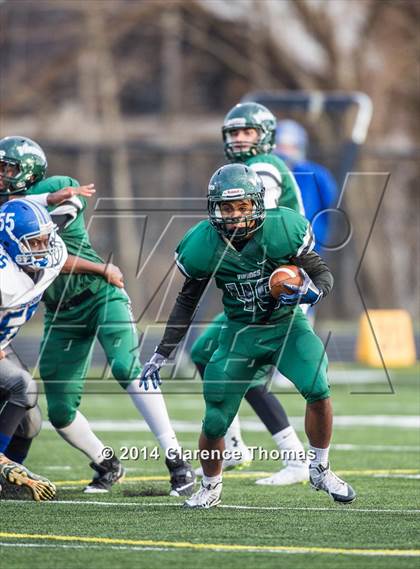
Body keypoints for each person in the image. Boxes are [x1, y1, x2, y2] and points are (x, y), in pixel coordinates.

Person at [140, 163, 356, 508]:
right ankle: (210, 487)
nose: (236, 215)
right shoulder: (202, 243)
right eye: (227, 207)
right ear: (214, 208)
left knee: (318, 387)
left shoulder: (282, 227)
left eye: (243, 207)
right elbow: (186, 301)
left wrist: (310, 293)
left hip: (286, 326)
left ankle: (320, 468)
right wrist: (162, 351)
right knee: (214, 420)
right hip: (239, 332)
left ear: (257, 204)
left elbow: (320, 271)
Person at [0, 135, 195, 496]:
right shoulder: (8, 210)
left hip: (99, 295)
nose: (1, 175)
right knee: (59, 411)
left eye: (6, 168)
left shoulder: (54, 188)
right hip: (60, 312)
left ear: (27, 170)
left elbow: (47, 232)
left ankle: (177, 462)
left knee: (124, 366)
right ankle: (106, 462)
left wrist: (101, 269)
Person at [190, 102, 308, 486]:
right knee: (204, 354)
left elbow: (256, 225)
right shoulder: (254, 167)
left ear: (265, 135)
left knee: (241, 368)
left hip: (270, 286)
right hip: (257, 282)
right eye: (234, 133)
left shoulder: (263, 169)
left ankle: (295, 458)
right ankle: (236, 443)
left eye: (248, 132)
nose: (240, 139)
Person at [0, 198, 67, 501]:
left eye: (44, 240)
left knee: (30, 423)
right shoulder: (4, 275)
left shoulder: (51, 257)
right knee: (24, 387)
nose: (41, 248)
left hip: (4, 344)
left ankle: (12, 481)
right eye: (33, 242)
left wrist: (51, 199)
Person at [275, 120, 338, 253]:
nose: (284, 153)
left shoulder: (314, 173)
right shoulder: (269, 174)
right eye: (281, 147)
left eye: (290, 147)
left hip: (311, 243)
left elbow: (332, 200)